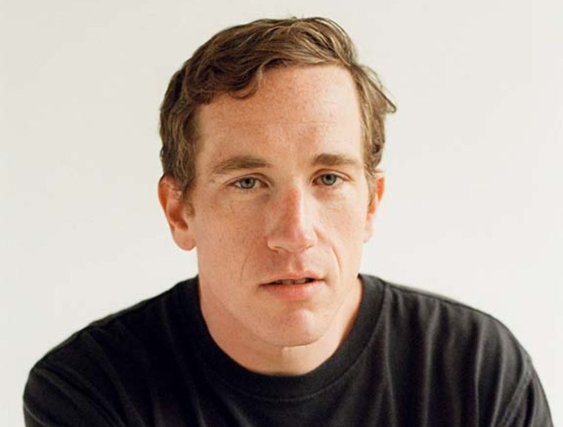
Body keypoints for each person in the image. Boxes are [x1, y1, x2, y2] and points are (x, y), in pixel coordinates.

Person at [23, 17, 553, 426]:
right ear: (180, 212)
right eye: (248, 183)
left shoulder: (475, 372)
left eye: (329, 179)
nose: (296, 233)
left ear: (371, 204)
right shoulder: (91, 390)